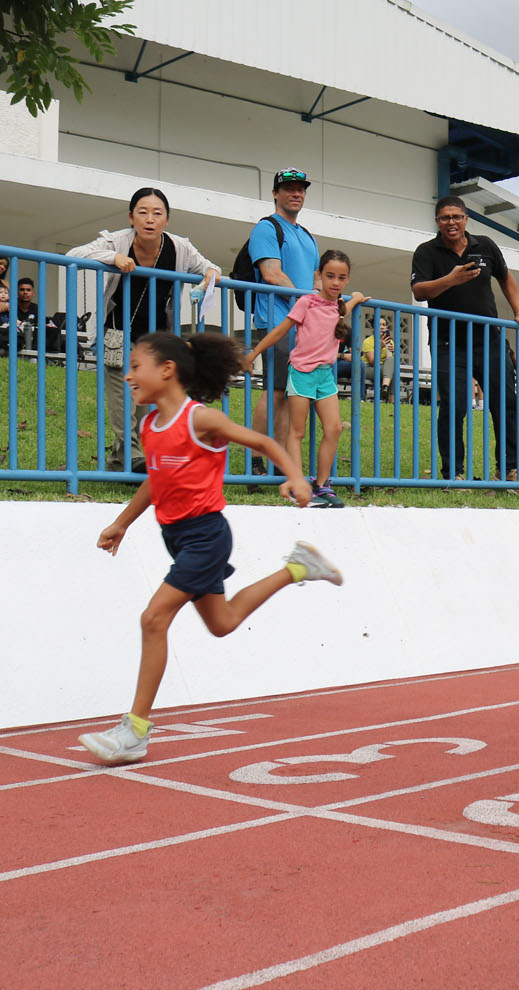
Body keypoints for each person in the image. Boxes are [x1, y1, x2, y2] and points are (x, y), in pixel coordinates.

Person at [77, 332, 342, 764]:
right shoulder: (148, 426)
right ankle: (298, 568)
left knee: (153, 618)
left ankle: (136, 730)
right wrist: (121, 523)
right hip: (178, 538)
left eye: (136, 366)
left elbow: (263, 442)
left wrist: (295, 477)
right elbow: (156, 480)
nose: (127, 376)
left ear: (168, 370)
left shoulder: (201, 420)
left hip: (206, 536)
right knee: (223, 622)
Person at [68, 188, 220, 471]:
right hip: (117, 331)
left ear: (166, 220)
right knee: (123, 394)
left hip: (156, 338)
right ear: (131, 217)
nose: (149, 219)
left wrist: (211, 274)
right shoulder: (117, 241)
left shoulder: (179, 247)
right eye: (142, 212)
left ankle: (121, 460)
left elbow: (210, 267)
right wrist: (112, 258)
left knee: (144, 398)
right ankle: (134, 456)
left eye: (157, 213)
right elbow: (74, 254)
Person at [411, 195, 519, 486]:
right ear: (437, 222)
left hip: (488, 340)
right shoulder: (427, 251)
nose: (451, 222)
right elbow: (419, 291)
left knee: (506, 402)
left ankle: (508, 470)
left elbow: (506, 277)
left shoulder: (486, 245)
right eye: (444, 218)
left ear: (466, 219)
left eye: (456, 217)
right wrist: (450, 280)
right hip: (448, 342)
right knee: (455, 404)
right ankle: (453, 473)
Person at [244, 249, 368, 508]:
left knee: (333, 428)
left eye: (341, 278)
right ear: (319, 276)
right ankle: (298, 484)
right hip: (301, 373)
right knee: (297, 431)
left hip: (325, 376)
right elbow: (280, 331)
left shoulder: (339, 305)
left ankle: (322, 485)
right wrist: (253, 352)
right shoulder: (307, 302)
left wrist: (355, 297)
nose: (335, 283)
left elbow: (346, 306)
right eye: (330, 276)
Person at [245, 169, 321, 464]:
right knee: (275, 391)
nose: (296, 193)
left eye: (301, 189)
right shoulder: (267, 228)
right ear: (276, 193)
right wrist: (308, 300)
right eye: (289, 188)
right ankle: (254, 459)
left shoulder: (307, 236)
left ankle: (279, 462)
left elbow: (315, 278)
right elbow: (271, 274)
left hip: (303, 327)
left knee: (292, 395)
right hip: (277, 322)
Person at [360, 315, 398, 402]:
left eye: (384, 325)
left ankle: (385, 387)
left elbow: (390, 360)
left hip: (383, 370)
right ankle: (392, 399)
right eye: (379, 325)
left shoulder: (390, 341)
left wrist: (393, 352)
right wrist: (380, 347)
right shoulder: (368, 341)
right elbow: (372, 362)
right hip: (369, 368)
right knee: (392, 370)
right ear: (373, 329)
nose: (382, 327)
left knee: (393, 363)